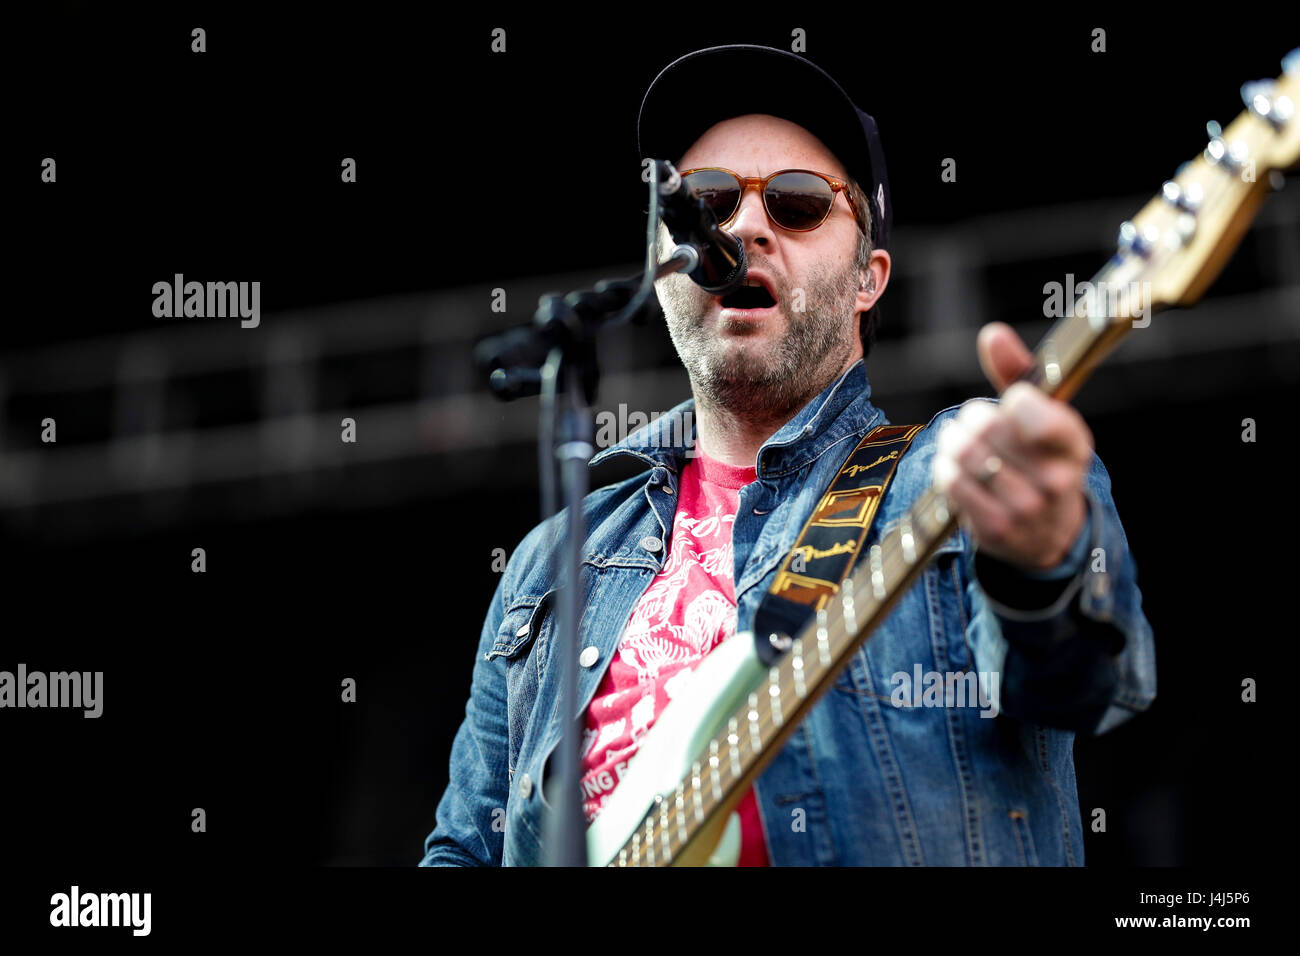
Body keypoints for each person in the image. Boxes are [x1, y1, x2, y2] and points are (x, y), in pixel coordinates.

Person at [420, 44, 1155, 866]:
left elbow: (1085, 683)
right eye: (705, 203)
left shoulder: (964, 474)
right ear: (662, 263)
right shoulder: (553, 560)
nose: (745, 227)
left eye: (800, 204)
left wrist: (1043, 562)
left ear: (869, 277)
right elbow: (464, 848)